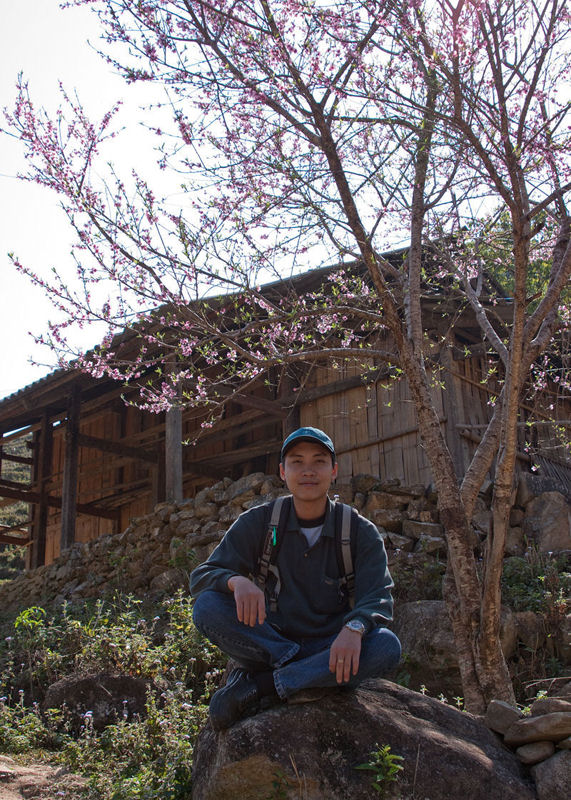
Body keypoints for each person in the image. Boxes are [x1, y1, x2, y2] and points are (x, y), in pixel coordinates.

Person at [190, 426, 401, 730]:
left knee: (385, 646)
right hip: (271, 641)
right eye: (297, 462)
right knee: (207, 606)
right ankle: (307, 676)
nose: (308, 471)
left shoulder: (358, 530)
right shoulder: (260, 522)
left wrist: (355, 628)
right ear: (282, 472)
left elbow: (378, 595)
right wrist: (237, 582)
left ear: (334, 471)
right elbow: (202, 576)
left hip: (330, 645)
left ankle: (262, 687)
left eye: (319, 461)